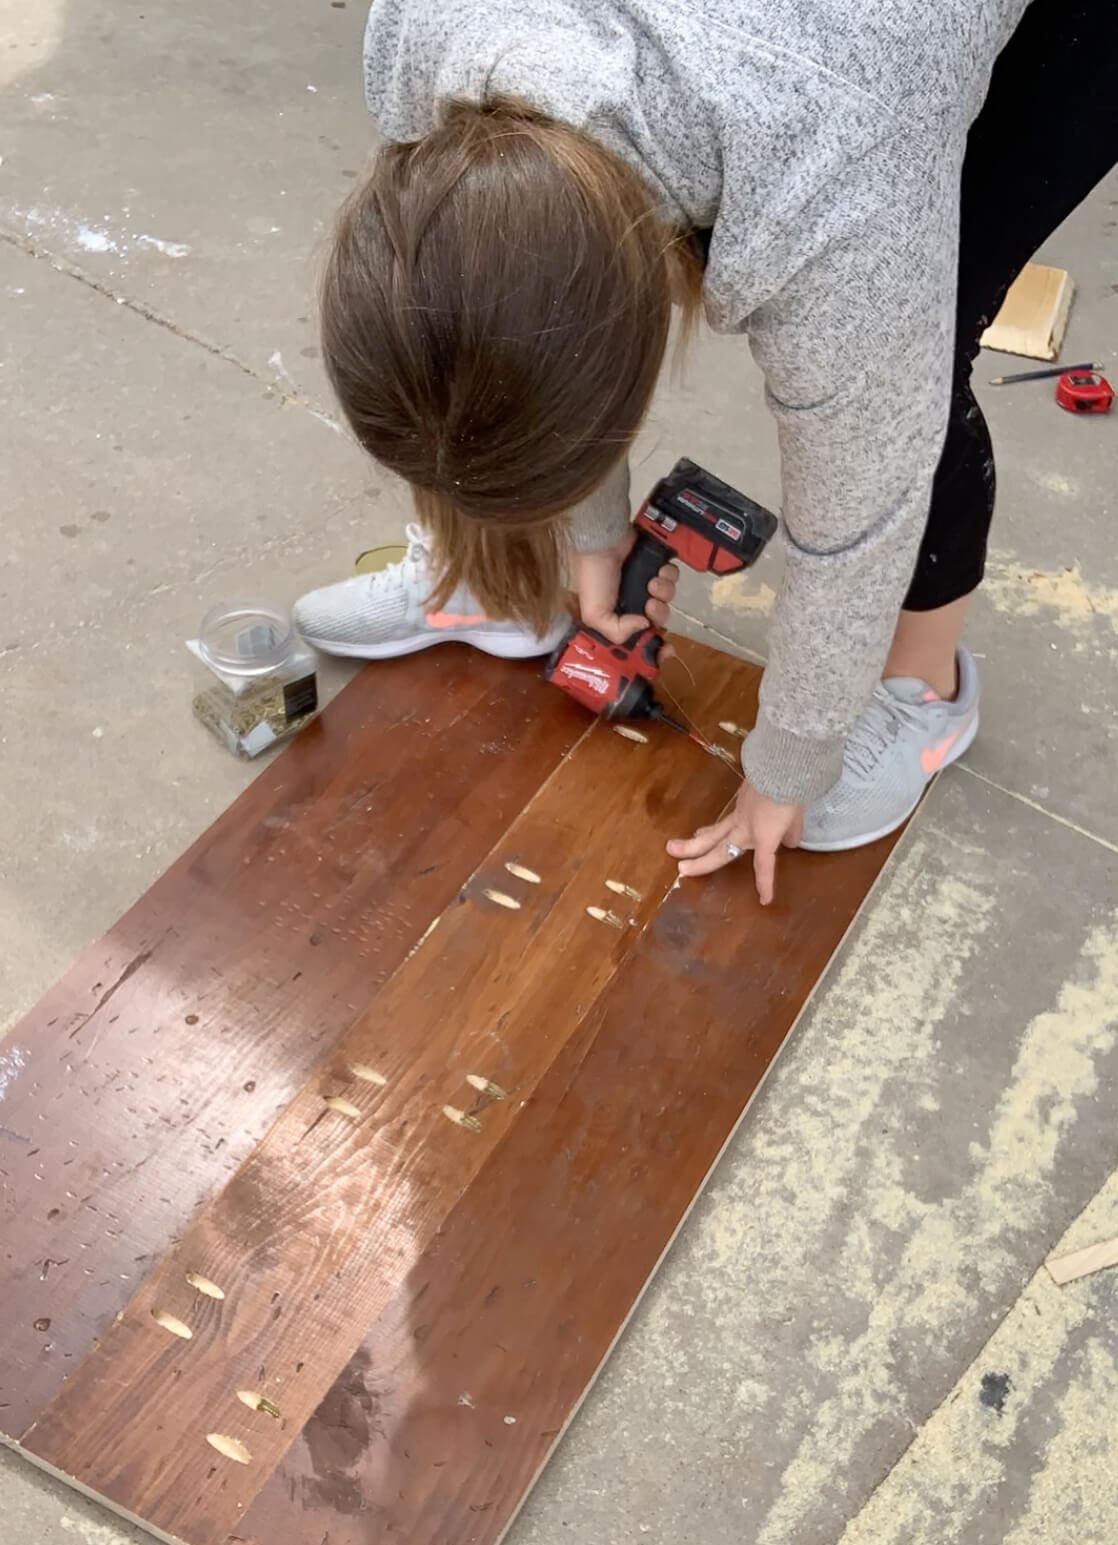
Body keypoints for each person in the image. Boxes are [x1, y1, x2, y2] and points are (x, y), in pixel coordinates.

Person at [294, 0, 1118, 903]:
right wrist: (591, 534)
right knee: (452, 341)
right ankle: (498, 580)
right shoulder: (425, 31)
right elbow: (495, 296)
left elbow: (860, 519)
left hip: (956, 41)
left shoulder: (845, 185)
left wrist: (789, 761)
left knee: (932, 329)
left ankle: (927, 690)